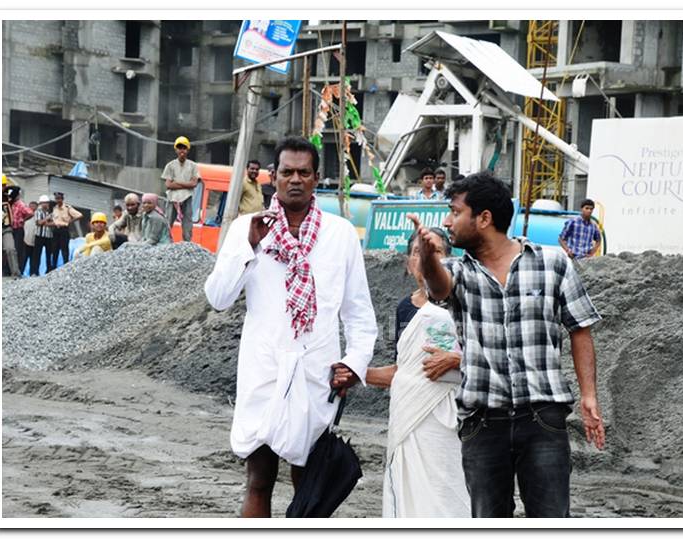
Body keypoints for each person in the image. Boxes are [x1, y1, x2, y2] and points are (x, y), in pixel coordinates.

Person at [412, 172, 605, 518]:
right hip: (483, 422)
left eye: (455, 212)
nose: (447, 221)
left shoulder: (553, 264)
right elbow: (439, 288)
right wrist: (427, 256)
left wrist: (589, 395)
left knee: (550, 519)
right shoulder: (461, 272)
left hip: (542, 418)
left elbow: (580, 329)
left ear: (484, 218)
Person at [204, 136, 378, 518]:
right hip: (263, 368)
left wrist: (355, 362)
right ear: (273, 178)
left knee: (310, 483)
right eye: (287, 172)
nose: (294, 179)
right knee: (259, 478)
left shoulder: (340, 234)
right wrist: (247, 249)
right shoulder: (245, 230)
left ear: (317, 179)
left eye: (304, 172)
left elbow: (359, 314)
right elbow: (217, 298)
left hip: (317, 371)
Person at [365, 227, 470, 518]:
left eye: (434, 251)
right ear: (409, 263)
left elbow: (495, 353)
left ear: (449, 260)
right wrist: (356, 373)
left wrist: (456, 360)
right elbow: (405, 370)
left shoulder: (466, 302)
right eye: (417, 252)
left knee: (450, 493)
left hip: (454, 418)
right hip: (410, 414)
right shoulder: (403, 310)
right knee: (410, 493)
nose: (424, 258)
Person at [162, 136, 199, 242]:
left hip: (187, 198)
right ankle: (164, 243)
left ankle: (187, 244)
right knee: (168, 222)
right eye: (179, 148)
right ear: (176, 150)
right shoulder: (170, 165)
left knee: (187, 224)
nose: (182, 150)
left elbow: (194, 183)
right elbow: (168, 185)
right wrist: (186, 184)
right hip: (172, 198)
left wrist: (176, 183)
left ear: (187, 150)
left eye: (184, 148)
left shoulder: (193, 166)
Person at [6, 185, 34, 274]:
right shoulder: (12, 204)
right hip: (11, 228)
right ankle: (10, 269)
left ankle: (19, 270)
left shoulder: (20, 204)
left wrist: (23, 220)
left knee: (18, 249)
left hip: (18, 229)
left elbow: (30, 213)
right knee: (11, 249)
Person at [51, 191, 82, 269]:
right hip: (56, 231)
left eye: (59, 199)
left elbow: (79, 215)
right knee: (55, 250)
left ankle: (66, 267)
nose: (58, 200)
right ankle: (53, 267)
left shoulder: (68, 208)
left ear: (62, 199)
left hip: (64, 230)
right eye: (56, 199)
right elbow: (54, 219)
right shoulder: (55, 208)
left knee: (64, 250)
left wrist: (70, 221)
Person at [2, 176, 20, 278]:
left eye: (3, 185)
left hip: (6, 228)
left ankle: (16, 273)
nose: (2, 187)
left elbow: (17, 189)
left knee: (10, 249)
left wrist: (7, 187)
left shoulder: (7, 197)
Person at [32, 195, 55, 275]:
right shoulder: (38, 212)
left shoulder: (49, 213)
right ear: (41, 204)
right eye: (44, 203)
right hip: (39, 236)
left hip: (49, 236)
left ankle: (49, 270)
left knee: (49, 254)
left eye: (47, 203)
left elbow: (53, 224)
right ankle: (35, 271)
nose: (46, 204)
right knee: (37, 254)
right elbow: (38, 223)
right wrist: (47, 219)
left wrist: (47, 222)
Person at [22, 201, 38, 275]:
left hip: (34, 240)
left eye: (34, 206)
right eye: (31, 206)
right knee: (24, 257)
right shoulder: (25, 216)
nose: (32, 208)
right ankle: (21, 272)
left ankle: (32, 273)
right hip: (25, 240)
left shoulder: (38, 216)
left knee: (33, 259)